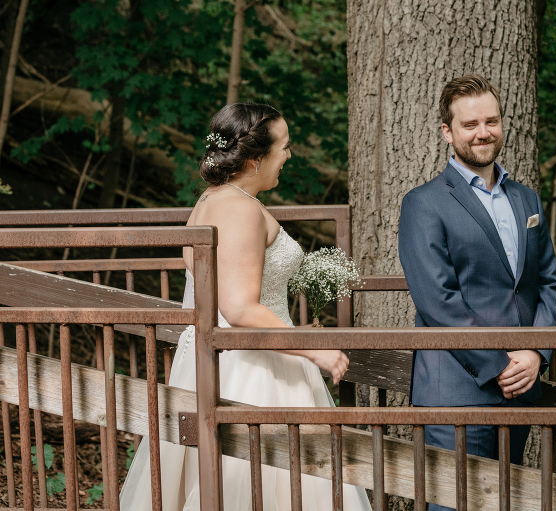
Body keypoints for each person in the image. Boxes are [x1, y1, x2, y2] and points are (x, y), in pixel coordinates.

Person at [120, 103, 372, 511]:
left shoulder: (214, 199)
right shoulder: (239, 209)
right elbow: (238, 308)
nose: (289, 156)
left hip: (225, 361)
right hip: (253, 371)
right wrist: (316, 350)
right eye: (284, 147)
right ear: (255, 159)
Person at [398, 75, 556, 510]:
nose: (483, 132)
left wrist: (536, 353)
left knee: (506, 503)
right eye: (470, 124)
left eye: (491, 121)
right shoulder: (424, 203)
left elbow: (547, 282)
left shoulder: (527, 200)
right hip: (456, 388)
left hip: (521, 386)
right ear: (447, 132)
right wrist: (499, 363)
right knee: (453, 506)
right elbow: (437, 301)